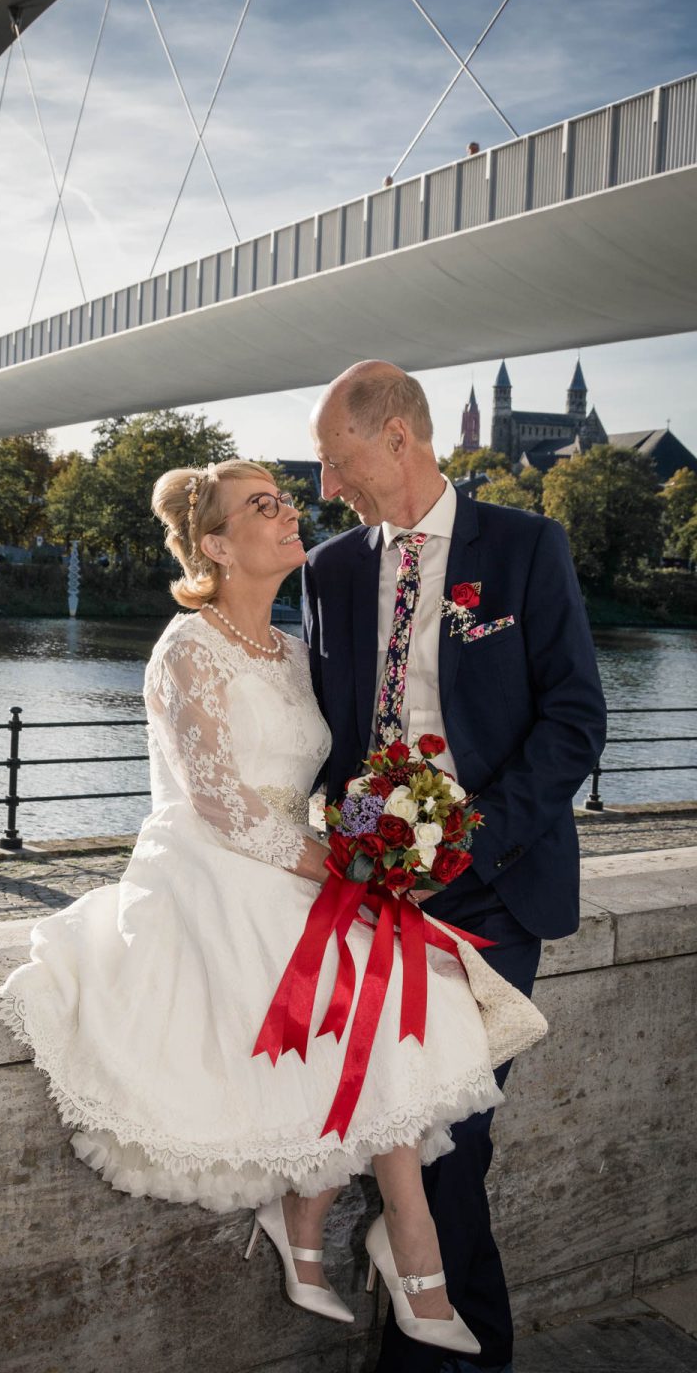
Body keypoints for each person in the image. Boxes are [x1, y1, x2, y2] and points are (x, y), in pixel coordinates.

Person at [0, 458, 541, 1352]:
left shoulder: (294, 651)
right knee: (363, 977)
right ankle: (405, 1245)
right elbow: (219, 802)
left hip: (300, 860)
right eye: (262, 505)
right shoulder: (186, 648)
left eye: (284, 498)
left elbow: (331, 776)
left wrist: (388, 830)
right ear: (215, 544)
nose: (289, 511)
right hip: (214, 865)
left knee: (399, 980)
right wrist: (334, 868)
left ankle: (325, 1223)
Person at [306, 363, 607, 1371]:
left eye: (337, 460)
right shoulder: (334, 571)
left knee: (446, 1141)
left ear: (397, 437)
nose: (329, 485)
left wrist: (465, 841)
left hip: (495, 894)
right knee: (428, 1149)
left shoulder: (526, 549)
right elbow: (337, 743)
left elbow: (574, 723)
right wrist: (364, 845)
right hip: (375, 900)